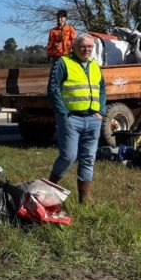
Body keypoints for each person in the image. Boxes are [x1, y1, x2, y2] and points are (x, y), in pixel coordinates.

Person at [47, 33, 106, 203]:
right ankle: (50, 187)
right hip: (71, 118)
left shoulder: (95, 65)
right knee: (69, 156)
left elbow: (102, 89)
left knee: (88, 158)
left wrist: (100, 111)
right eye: (83, 47)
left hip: (93, 119)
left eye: (90, 47)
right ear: (74, 47)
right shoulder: (63, 63)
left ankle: (85, 197)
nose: (86, 50)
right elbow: (53, 89)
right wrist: (63, 113)